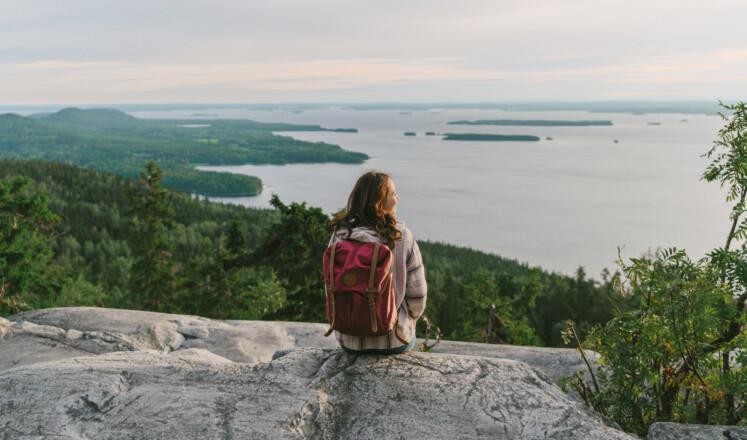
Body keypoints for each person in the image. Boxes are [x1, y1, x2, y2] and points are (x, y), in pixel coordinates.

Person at [328, 171, 427, 354]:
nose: (398, 198)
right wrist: (408, 320)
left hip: (349, 341)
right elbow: (417, 297)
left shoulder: (340, 235)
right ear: (379, 203)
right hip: (394, 341)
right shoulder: (402, 236)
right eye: (393, 194)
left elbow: (331, 286)